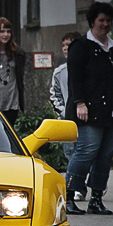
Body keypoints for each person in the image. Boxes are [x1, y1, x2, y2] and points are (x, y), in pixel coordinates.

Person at [65, 1, 113, 215]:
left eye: (109, 21)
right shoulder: (81, 46)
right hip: (87, 110)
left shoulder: (111, 48)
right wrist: (80, 103)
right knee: (86, 152)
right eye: (101, 20)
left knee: (104, 156)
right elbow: (75, 79)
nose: (105, 24)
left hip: (109, 111)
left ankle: (96, 198)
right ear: (92, 21)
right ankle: (68, 197)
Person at [49, 31, 87, 200]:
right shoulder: (59, 72)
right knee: (70, 152)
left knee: (84, 152)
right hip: (66, 119)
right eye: (64, 46)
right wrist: (63, 112)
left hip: (85, 118)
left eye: (69, 45)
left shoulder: (86, 69)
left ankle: (80, 185)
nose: (66, 49)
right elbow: (54, 95)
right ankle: (75, 187)